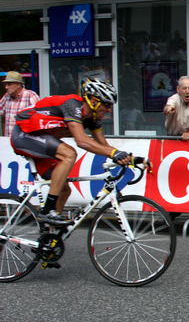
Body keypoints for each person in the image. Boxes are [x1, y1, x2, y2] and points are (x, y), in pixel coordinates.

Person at [10, 78, 133, 225]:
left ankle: (49, 235)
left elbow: (104, 146)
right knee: (69, 154)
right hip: (24, 134)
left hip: (41, 140)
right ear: (93, 101)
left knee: (64, 191)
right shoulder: (72, 105)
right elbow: (82, 141)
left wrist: (130, 158)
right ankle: (48, 210)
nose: (109, 110)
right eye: (106, 105)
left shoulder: (92, 119)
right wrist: (114, 154)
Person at [0, 71, 40, 138]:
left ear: (18, 84)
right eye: (6, 84)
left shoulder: (30, 95)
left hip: (25, 140)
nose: (6, 87)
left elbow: (40, 117)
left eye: (9, 84)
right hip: (9, 140)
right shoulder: (6, 96)